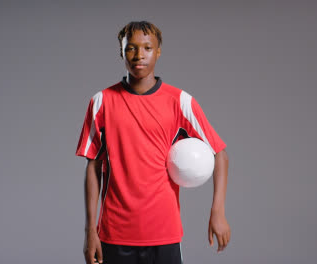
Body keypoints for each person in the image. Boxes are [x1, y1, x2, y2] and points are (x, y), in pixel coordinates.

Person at [75, 21, 230, 264]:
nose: (139, 55)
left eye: (147, 48)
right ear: (121, 51)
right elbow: (93, 168)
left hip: (164, 232)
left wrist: (217, 211)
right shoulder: (101, 102)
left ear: (158, 52)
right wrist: (89, 232)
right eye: (131, 48)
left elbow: (219, 154)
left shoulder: (180, 102)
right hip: (114, 233)